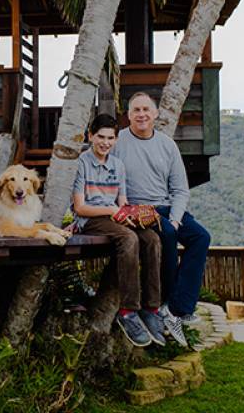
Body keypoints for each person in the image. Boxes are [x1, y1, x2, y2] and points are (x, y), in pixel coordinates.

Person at [112, 92, 211, 347]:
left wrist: (177, 220)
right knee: (166, 234)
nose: (142, 115)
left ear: (155, 114)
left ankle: (177, 308)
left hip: (167, 209)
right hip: (138, 210)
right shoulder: (118, 141)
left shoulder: (167, 145)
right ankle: (163, 302)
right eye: (136, 110)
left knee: (201, 237)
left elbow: (180, 190)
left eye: (146, 110)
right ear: (128, 116)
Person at [72, 114, 166, 347]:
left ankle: (151, 308)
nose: (105, 142)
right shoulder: (81, 163)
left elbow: (122, 201)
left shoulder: (118, 165)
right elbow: (80, 207)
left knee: (152, 239)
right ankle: (127, 311)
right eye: (101, 137)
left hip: (116, 216)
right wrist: (112, 210)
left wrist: (133, 213)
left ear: (116, 140)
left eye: (111, 138)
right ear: (90, 136)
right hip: (92, 219)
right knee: (129, 238)